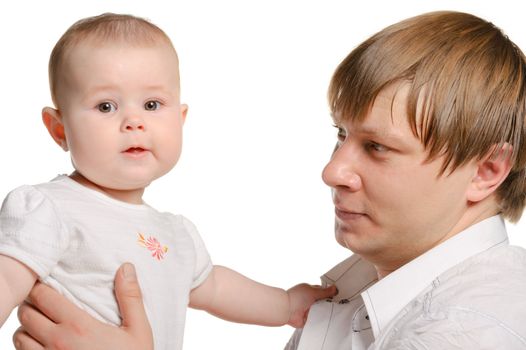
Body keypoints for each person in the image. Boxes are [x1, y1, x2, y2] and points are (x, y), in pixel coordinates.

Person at [11, 9, 526, 350]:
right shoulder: (355, 288)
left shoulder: (469, 329)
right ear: (59, 128)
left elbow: (209, 284)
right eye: (340, 135)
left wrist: (280, 306)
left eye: (377, 147)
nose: (331, 170)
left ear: (486, 171)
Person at [0, 13, 336, 350]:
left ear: (180, 118)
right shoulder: (49, 208)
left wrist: (286, 305)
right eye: (105, 106)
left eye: (151, 104)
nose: (134, 122)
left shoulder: (175, 233)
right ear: (60, 130)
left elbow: (216, 287)